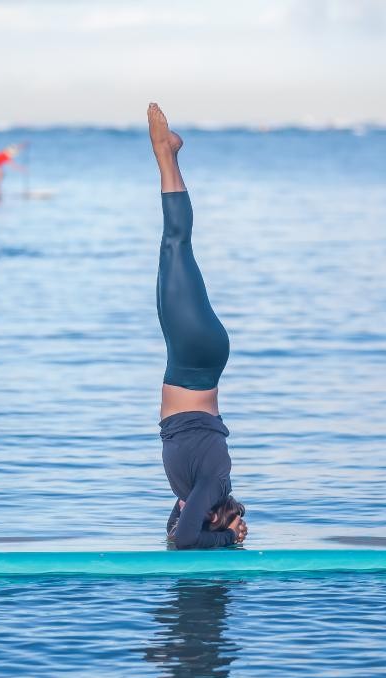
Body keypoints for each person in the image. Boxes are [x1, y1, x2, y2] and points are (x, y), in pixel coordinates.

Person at [148, 102, 248, 550]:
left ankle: (168, 156)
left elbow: (181, 528)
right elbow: (185, 541)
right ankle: (165, 154)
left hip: (194, 357)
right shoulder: (214, 480)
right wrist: (226, 538)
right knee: (175, 244)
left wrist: (216, 528)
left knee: (176, 250)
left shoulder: (194, 493)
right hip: (192, 356)